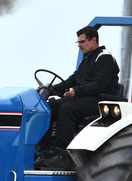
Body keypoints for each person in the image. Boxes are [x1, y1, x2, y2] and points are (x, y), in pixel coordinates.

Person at [37, 26, 120, 169]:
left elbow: (99, 85)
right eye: (78, 42)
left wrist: (76, 92)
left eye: (82, 42)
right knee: (49, 107)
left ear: (93, 40)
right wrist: (49, 89)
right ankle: (44, 149)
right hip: (84, 98)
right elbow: (72, 80)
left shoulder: (104, 58)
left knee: (67, 108)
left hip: (100, 100)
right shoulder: (87, 60)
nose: (79, 45)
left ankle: (63, 154)